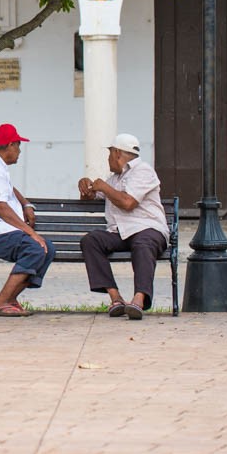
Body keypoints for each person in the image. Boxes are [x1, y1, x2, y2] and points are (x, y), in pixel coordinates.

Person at [77, 133, 170, 320]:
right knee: (91, 240)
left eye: (109, 154)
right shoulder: (114, 179)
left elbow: (128, 203)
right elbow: (93, 196)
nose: (108, 159)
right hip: (119, 233)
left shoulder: (143, 171)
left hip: (148, 229)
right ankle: (116, 298)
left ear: (117, 153)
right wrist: (85, 187)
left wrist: (104, 187)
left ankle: (139, 300)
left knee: (143, 244)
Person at [0, 123, 54, 316]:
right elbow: (1, 208)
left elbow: (9, 189)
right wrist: (31, 233)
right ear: (10, 145)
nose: (19, 151)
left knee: (48, 248)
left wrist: (26, 204)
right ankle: (0, 303)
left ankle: (11, 299)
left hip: (1, 229)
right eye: (18, 146)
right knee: (35, 247)